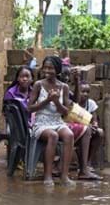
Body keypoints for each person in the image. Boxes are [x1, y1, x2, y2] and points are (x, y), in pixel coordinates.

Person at [28, 56, 75, 186]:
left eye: (51, 68)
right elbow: (29, 108)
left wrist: (56, 102)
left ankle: (64, 175)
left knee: (69, 135)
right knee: (53, 136)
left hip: (57, 121)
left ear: (58, 70)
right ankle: (47, 175)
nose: (47, 70)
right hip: (41, 123)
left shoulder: (63, 87)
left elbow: (65, 112)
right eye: (45, 68)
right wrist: (47, 100)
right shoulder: (38, 85)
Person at [78, 82, 104, 171]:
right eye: (83, 91)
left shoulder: (91, 103)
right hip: (77, 130)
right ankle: (82, 164)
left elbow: (94, 119)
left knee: (100, 132)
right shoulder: (74, 103)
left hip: (88, 129)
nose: (85, 94)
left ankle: (88, 162)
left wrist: (95, 125)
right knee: (87, 129)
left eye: (87, 92)